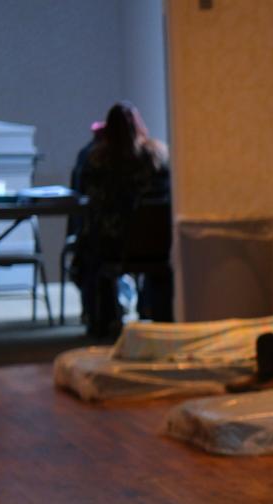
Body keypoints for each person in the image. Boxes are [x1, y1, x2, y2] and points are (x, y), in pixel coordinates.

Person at [74, 102, 171, 338]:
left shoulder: (96, 161)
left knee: (85, 252)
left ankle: (102, 318)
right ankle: (156, 311)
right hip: (154, 244)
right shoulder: (156, 157)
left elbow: (88, 199)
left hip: (111, 245)